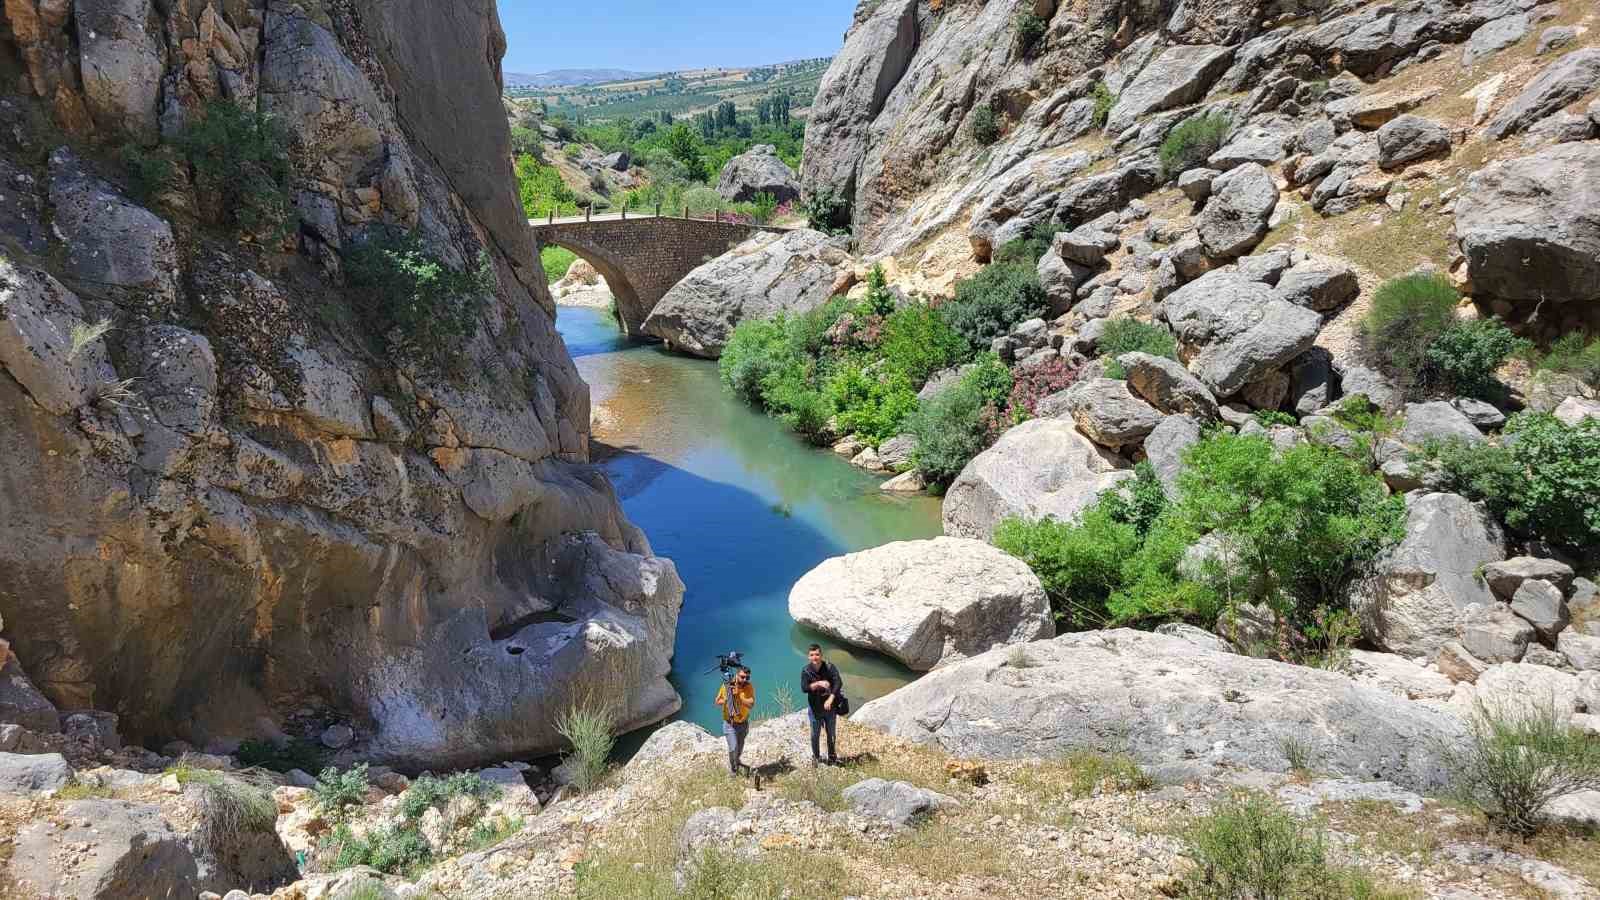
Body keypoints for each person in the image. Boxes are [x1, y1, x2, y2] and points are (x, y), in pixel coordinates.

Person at [799, 644, 842, 766]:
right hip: (815, 709)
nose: (815, 657)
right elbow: (804, 688)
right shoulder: (806, 671)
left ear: (821, 655)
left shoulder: (829, 667)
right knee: (814, 735)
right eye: (812, 655)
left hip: (830, 709)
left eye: (817, 654)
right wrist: (818, 684)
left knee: (831, 734)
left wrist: (831, 698)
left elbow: (838, 683)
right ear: (808, 657)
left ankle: (832, 757)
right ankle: (816, 757)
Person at [714, 665, 754, 776]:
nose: (744, 680)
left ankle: (737, 761)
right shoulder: (727, 685)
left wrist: (739, 696)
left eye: (747, 677)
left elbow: (751, 704)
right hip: (730, 724)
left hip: (743, 723)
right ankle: (733, 770)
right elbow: (717, 701)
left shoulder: (748, 687)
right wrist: (727, 699)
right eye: (742, 677)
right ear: (737, 675)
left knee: (740, 747)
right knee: (733, 747)